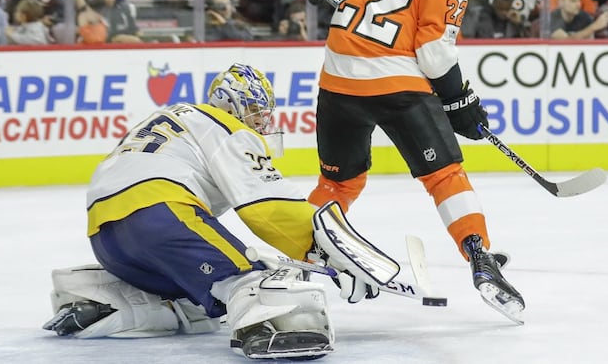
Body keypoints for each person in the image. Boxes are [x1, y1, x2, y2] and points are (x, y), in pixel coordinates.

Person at [41, 63, 398, 360]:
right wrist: (329, 253)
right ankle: (275, 323)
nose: (261, 123)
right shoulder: (223, 125)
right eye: (256, 113)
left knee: (195, 302)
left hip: (106, 237)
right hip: (159, 213)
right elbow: (268, 208)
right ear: (233, 106)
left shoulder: (174, 117)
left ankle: (108, 299)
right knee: (248, 279)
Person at [295, 0, 524, 322]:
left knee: (339, 184)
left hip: (338, 79)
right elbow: (433, 53)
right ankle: (479, 256)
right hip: (396, 83)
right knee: (445, 175)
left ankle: (300, 253)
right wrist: (462, 101)